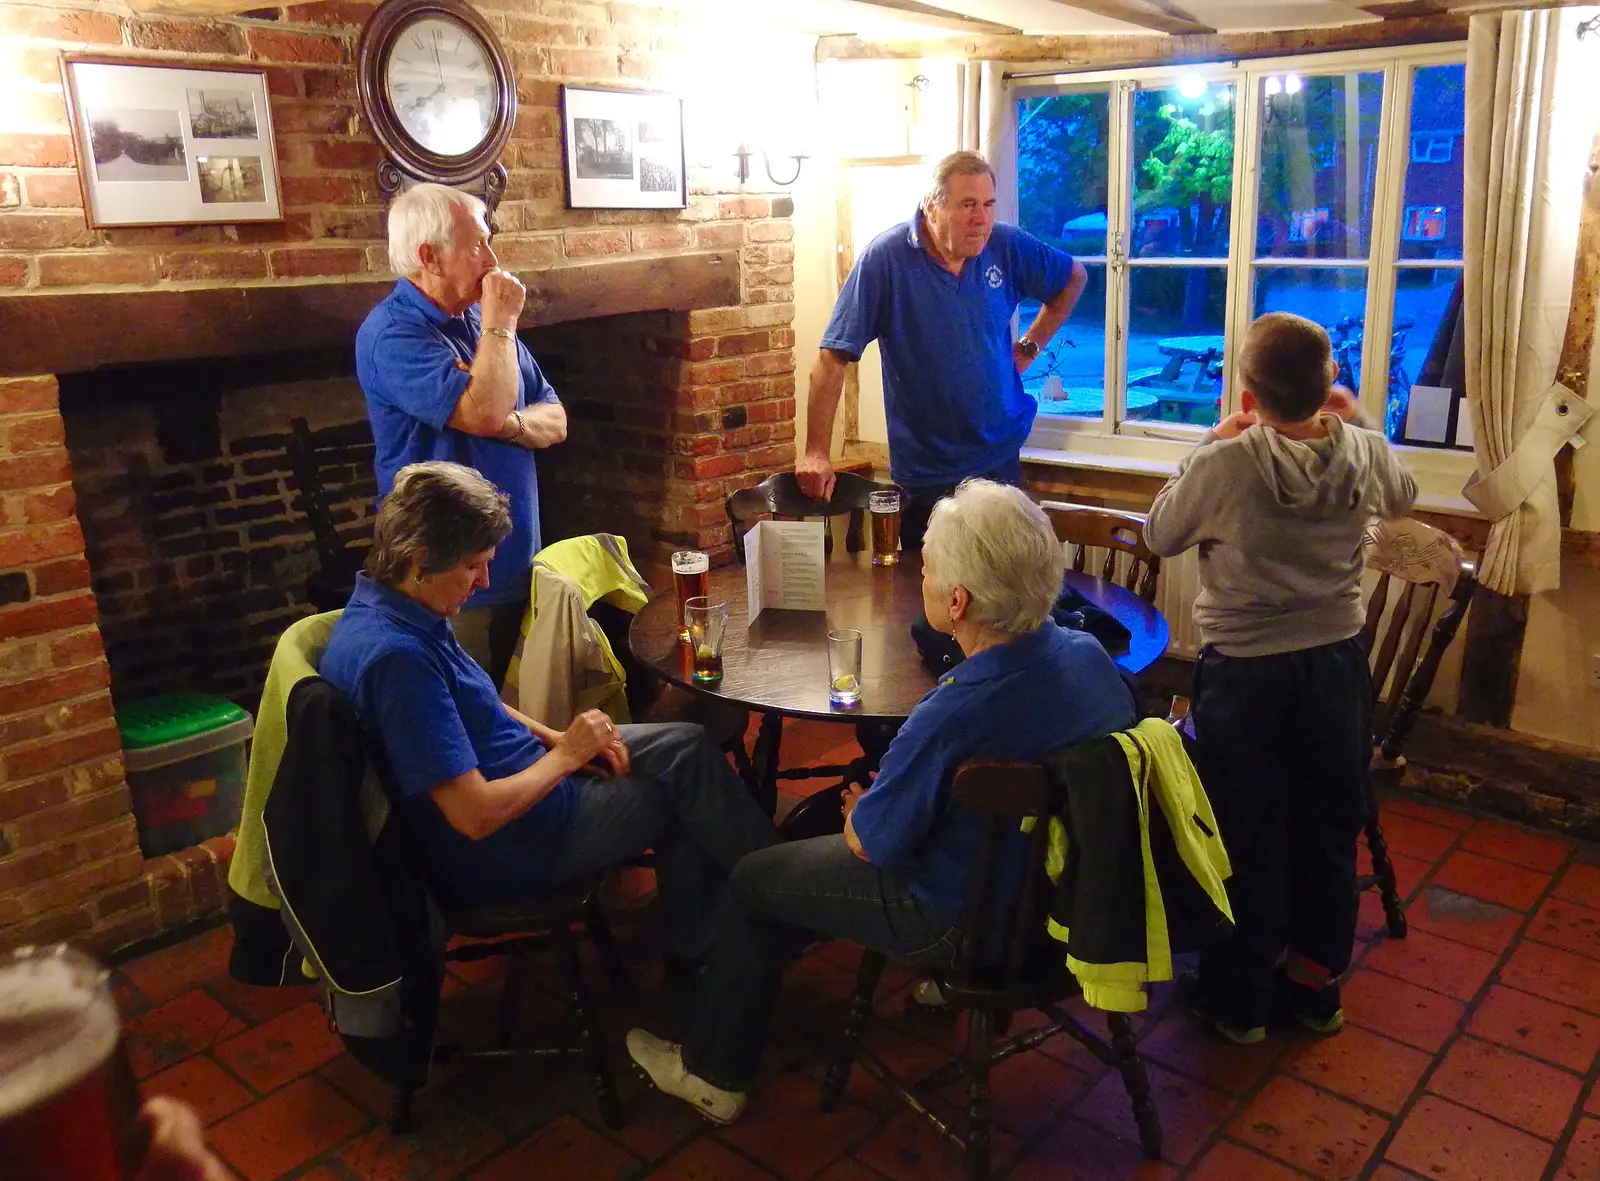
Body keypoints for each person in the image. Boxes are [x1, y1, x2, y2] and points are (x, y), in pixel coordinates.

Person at [624, 480, 1137, 1124]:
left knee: (756, 878)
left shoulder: (953, 709)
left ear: (957, 601)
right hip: (1063, 899)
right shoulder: (1089, 656)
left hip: (958, 920)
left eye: (927, 572)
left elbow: (873, 844)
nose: (922, 584)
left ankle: (713, 1072)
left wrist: (858, 810)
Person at [319, 461, 779, 968]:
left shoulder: (393, 605)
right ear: (421, 557)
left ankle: (749, 904)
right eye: (473, 566)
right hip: (511, 843)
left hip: (530, 785)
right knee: (685, 792)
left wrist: (559, 739)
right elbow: (473, 817)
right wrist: (566, 758)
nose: (484, 580)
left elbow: (479, 705)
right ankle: (737, 932)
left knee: (688, 743)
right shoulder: (397, 661)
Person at [1143, 311, 1418, 1045]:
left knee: (1243, 827)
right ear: (1329, 382)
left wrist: (1211, 440)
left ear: (1248, 394)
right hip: (1334, 665)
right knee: (1329, 823)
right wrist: (1355, 417)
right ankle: (1316, 987)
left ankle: (1241, 999)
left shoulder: (1226, 462)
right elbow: (1406, 494)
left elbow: (1160, 533)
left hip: (1246, 671)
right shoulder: (1361, 449)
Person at [796, 150, 1088, 549]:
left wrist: (1030, 345)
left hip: (998, 457)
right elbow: (832, 359)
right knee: (929, 600)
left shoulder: (1006, 246)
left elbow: (1073, 278)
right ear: (931, 206)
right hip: (927, 472)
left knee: (1001, 592)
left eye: (987, 205)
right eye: (967, 205)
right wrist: (815, 453)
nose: (981, 218)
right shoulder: (886, 259)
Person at [356, 182, 567, 688]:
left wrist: (509, 421)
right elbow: (485, 411)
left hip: (513, 551)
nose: (493, 259)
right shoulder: (394, 333)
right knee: (467, 711)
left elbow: (555, 418)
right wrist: (502, 326)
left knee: (517, 701)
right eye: (476, 245)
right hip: (444, 564)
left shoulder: (479, 320)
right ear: (429, 256)